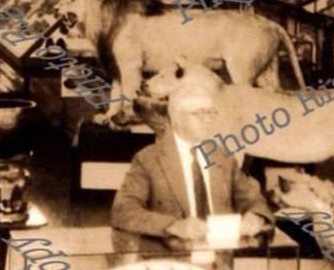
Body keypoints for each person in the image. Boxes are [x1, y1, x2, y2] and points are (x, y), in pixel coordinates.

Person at [111, 85, 269, 240]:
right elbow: (123, 211)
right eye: (198, 113)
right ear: (176, 118)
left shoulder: (223, 156)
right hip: (173, 254)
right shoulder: (148, 159)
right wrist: (173, 226)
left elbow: (252, 199)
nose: (207, 119)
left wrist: (256, 215)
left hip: (222, 251)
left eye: (211, 112)